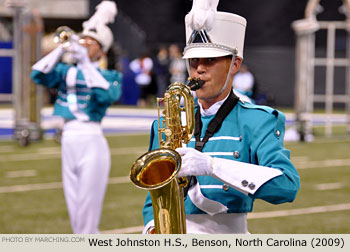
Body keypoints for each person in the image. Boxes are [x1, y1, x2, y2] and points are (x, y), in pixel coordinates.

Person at [142, 0, 300, 234]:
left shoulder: (258, 121)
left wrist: (213, 166)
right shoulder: (166, 123)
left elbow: (287, 187)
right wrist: (153, 227)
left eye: (210, 60)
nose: (199, 69)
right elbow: (154, 193)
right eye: (194, 61)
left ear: (235, 64)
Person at [30, 1, 121, 234]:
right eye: (83, 39)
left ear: (101, 51)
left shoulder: (108, 75)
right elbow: (37, 74)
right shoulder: (65, 71)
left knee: (88, 215)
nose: (84, 43)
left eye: (92, 42)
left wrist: (85, 63)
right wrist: (60, 49)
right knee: (75, 214)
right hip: (68, 140)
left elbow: (107, 94)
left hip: (91, 140)